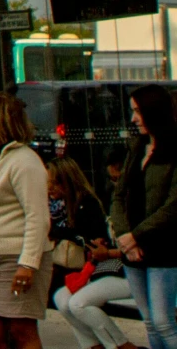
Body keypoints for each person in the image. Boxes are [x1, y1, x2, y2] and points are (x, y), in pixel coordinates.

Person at [0, 90, 50, 349]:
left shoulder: (24, 161)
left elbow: (38, 216)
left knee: (21, 330)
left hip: (17, 259)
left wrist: (28, 264)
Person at [111, 83, 177, 349]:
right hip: (132, 249)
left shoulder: (173, 152)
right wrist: (125, 235)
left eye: (137, 111)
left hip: (163, 246)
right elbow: (117, 196)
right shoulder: (136, 148)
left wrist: (135, 236)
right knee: (149, 321)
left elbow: (174, 206)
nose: (133, 118)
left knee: (163, 321)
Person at [49, 156, 130, 349]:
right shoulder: (58, 207)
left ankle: (122, 346)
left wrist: (58, 232)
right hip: (95, 270)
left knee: (78, 304)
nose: (48, 188)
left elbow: (91, 239)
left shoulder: (87, 204)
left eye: (53, 183)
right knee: (62, 298)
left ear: (66, 182)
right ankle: (93, 345)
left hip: (116, 269)